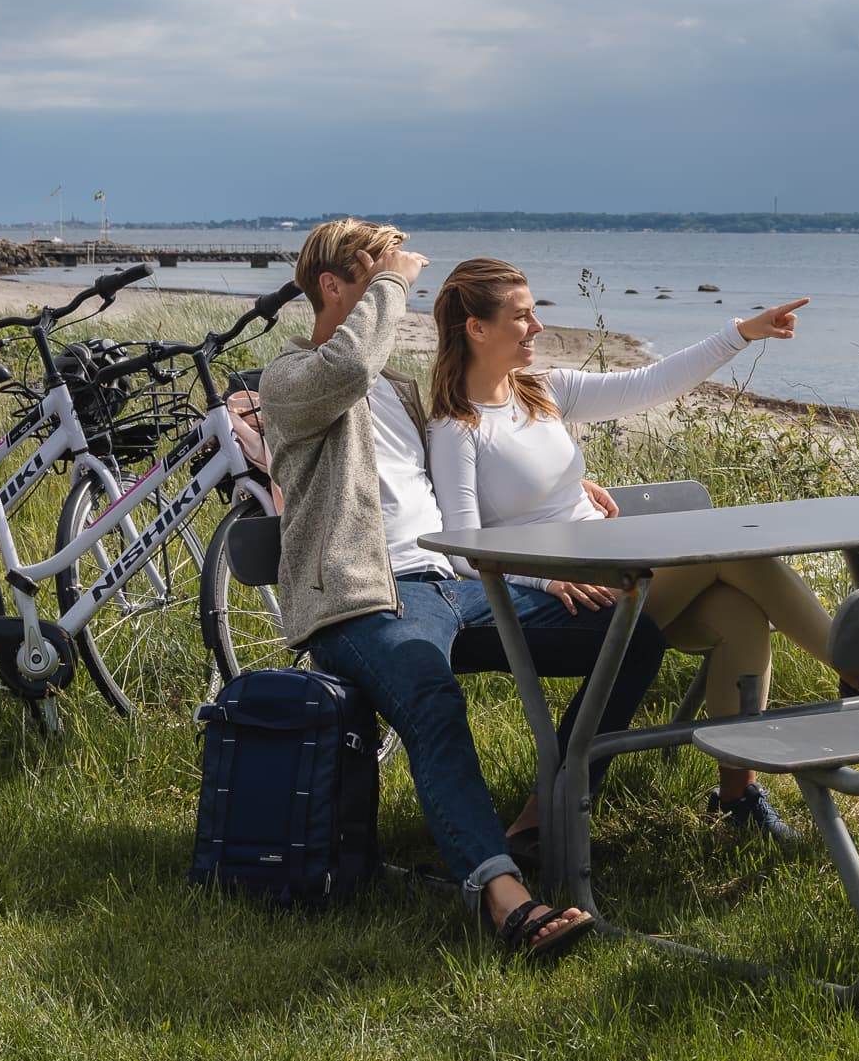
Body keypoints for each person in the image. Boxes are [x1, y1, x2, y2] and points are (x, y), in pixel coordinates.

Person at [258, 220, 667, 963]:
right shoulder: (292, 380)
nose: (399, 290)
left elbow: (460, 486)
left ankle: (549, 815)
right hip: (367, 598)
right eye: (379, 278)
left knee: (633, 636)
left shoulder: (401, 392)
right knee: (431, 693)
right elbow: (346, 367)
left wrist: (572, 488)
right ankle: (507, 900)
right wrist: (390, 282)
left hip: (454, 582)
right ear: (335, 286)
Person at [427, 256, 859, 843]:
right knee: (728, 549)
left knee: (739, 616)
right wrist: (543, 580)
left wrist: (740, 334)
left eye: (534, 314)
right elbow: (461, 546)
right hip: (582, 591)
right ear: (476, 328)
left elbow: (650, 383)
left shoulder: (543, 392)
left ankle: (737, 799)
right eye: (522, 316)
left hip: (627, 571)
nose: (536, 328)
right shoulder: (457, 427)